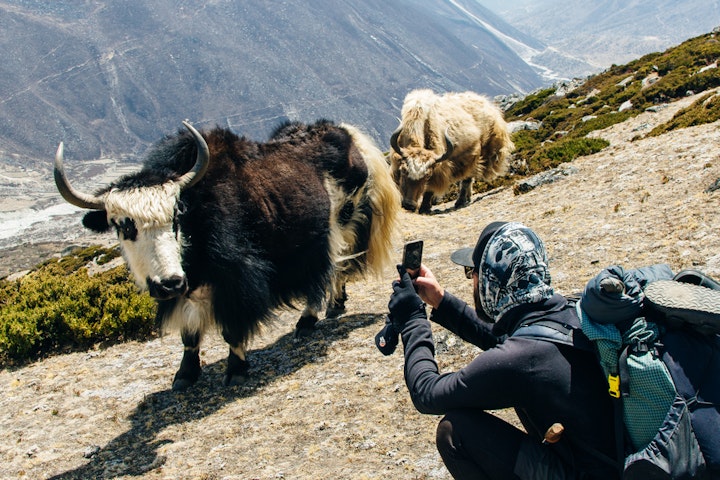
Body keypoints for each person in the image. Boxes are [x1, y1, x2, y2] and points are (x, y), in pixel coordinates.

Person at [385, 221, 619, 480]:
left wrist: (412, 320)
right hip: (613, 465)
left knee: (455, 432)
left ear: (490, 280)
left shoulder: (524, 360)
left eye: (471, 273)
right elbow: (505, 339)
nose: (472, 280)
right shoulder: (569, 313)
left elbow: (426, 393)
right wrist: (440, 300)